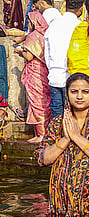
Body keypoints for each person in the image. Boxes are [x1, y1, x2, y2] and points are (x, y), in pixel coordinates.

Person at [34, 73, 89, 217]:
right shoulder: (57, 123)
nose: (79, 96)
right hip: (60, 208)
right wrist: (65, 139)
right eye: (74, 92)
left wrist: (77, 138)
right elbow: (42, 159)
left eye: (85, 92)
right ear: (67, 94)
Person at [14, 12, 51, 143]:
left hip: (35, 72)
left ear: (33, 22)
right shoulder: (45, 35)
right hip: (43, 71)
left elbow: (29, 56)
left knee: (37, 102)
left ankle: (41, 134)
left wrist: (20, 51)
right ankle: (43, 133)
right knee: (43, 101)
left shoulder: (33, 36)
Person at [44, 0, 84, 118]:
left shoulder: (53, 25)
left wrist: (52, 68)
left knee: (57, 113)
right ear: (81, 9)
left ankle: (57, 136)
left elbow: (47, 52)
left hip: (55, 75)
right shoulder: (79, 26)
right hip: (72, 77)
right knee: (73, 114)